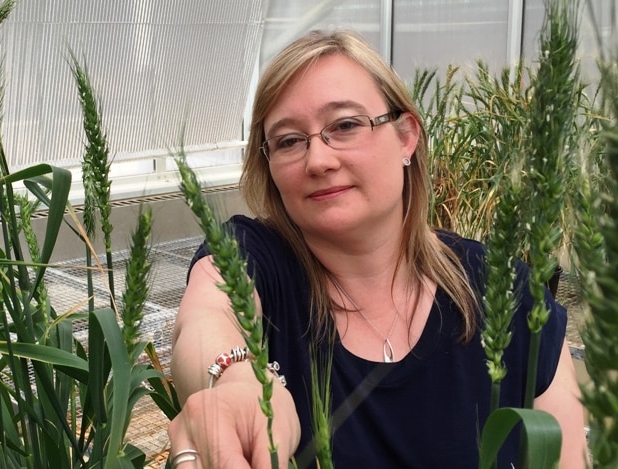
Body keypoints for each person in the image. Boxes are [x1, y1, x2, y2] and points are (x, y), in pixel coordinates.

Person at [168, 30, 587, 468]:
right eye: (289, 140)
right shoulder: (256, 258)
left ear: (406, 136)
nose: (318, 160)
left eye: (346, 125)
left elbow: (567, 456)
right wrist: (236, 382)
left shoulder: (507, 291)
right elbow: (205, 319)